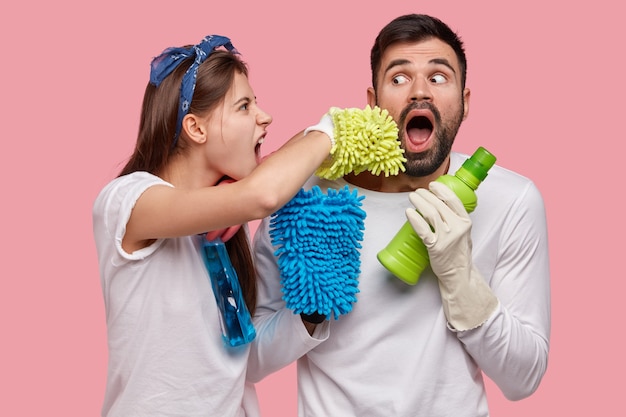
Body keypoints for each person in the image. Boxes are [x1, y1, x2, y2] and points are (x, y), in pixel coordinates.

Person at [249, 14, 550, 417]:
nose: (419, 92)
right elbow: (248, 360)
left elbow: (524, 378)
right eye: (399, 78)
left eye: (439, 77)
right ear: (373, 104)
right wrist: (311, 310)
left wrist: (462, 280)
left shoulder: (511, 200)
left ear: (464, 102)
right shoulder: (305, 197)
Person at [92, 34, 337, 417]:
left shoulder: (223, 231)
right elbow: (264, 195)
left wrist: (310, 313)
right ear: (196, 128)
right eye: (244, 106)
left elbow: (239, 359)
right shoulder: (127, 201)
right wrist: (337, 129)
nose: (264, 116)